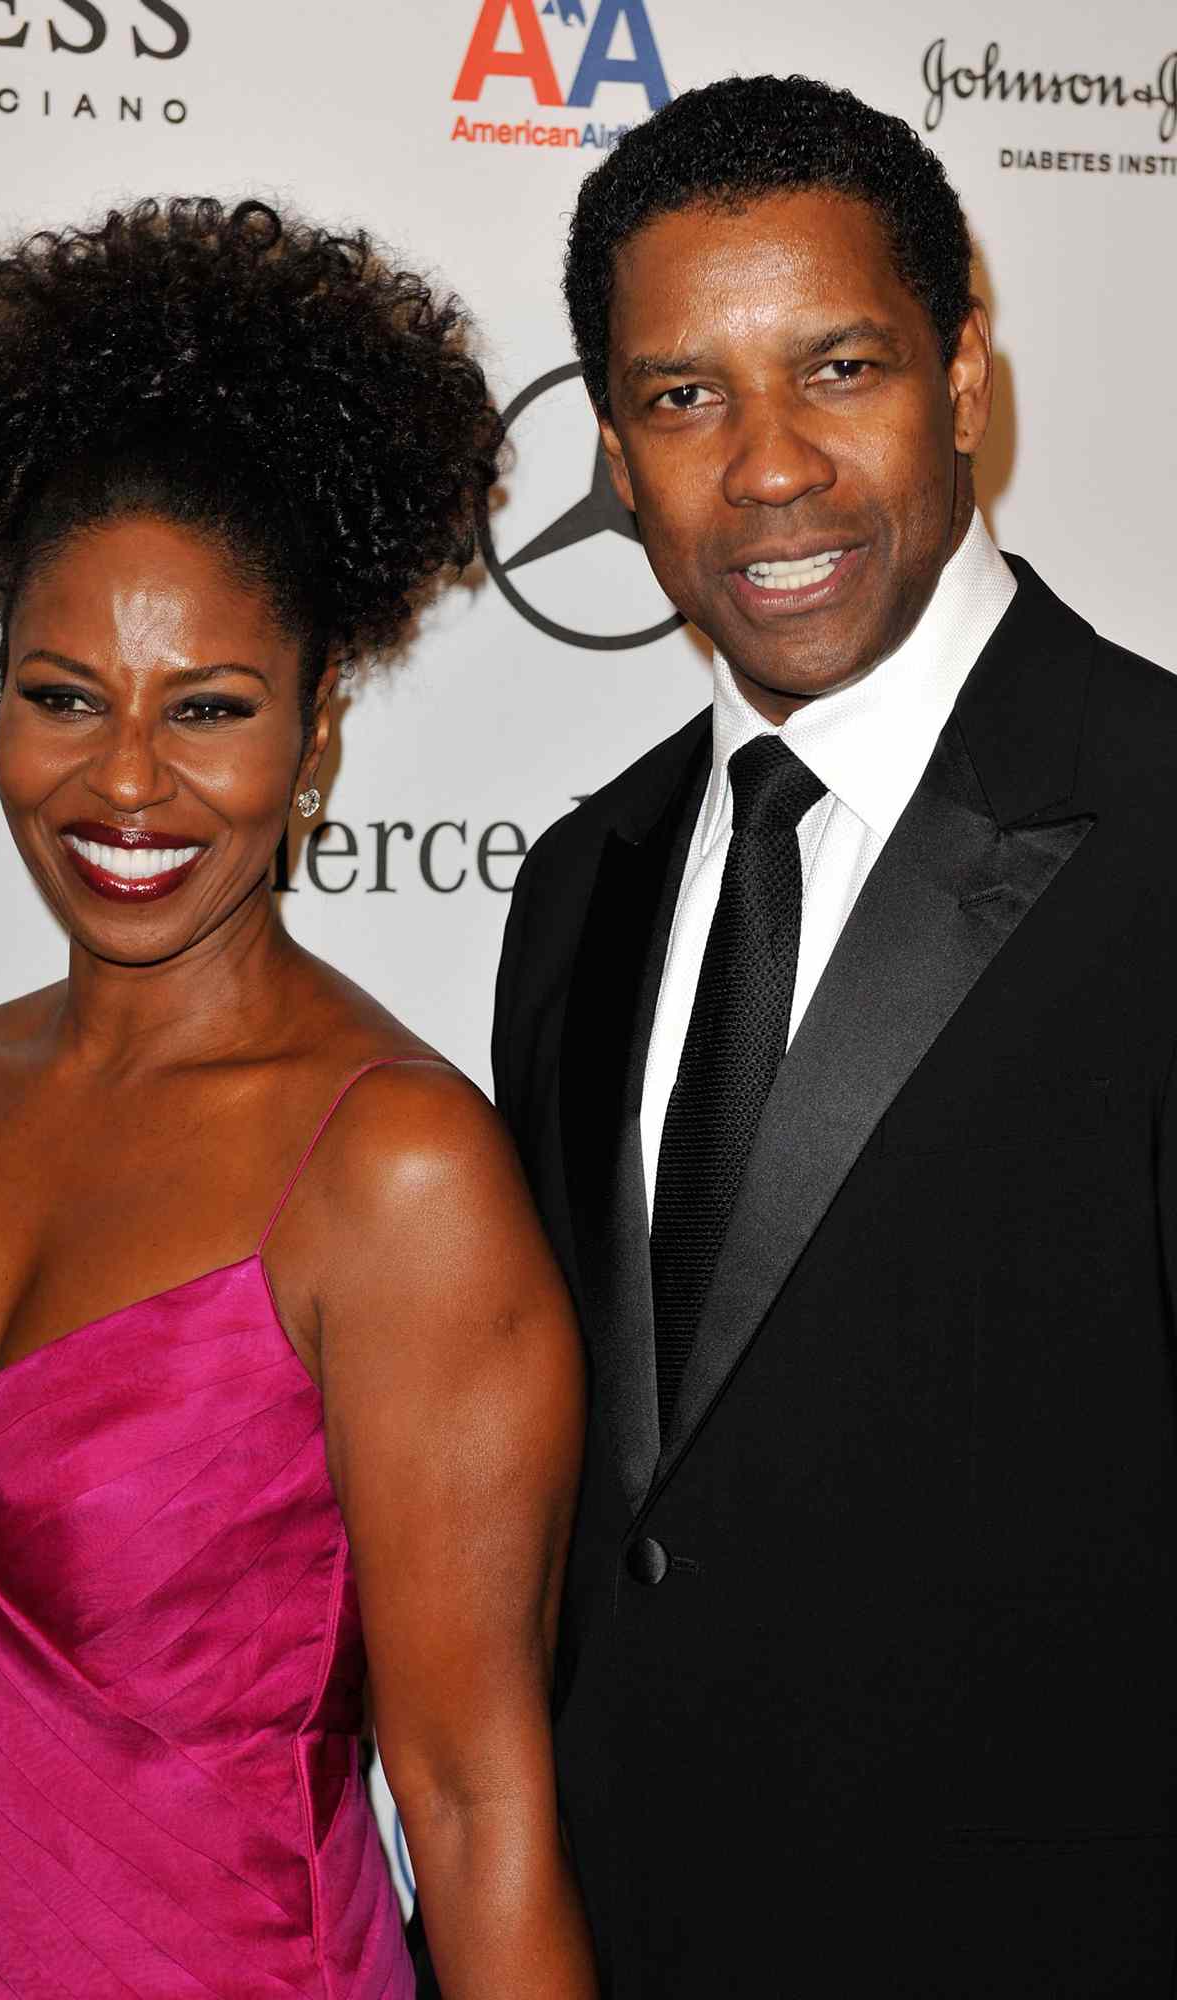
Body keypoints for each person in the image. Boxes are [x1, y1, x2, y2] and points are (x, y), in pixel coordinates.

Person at [485, 75, 1177, 1997]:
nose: (768, 466)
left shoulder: (1159, 816)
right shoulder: (576, 886)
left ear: (965, 380)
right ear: (616, 454)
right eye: (686, 395)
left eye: (840, 366)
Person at [0, 198, 597, 2000]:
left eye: (206, 709)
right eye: (62, 696)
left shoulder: (394, 1168)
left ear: (317, 727)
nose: (124, 781)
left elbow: (473, 1805)